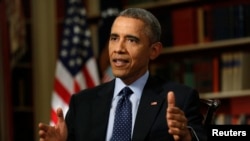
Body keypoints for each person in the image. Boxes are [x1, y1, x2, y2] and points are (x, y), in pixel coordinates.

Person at [38, 8, 207, 141]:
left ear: (154, 50)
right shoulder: (82, 103)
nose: (119, 49)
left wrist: (186, 137)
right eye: (114, 38)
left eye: (131, 40)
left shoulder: (181, 99)